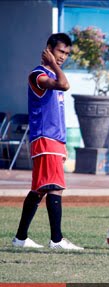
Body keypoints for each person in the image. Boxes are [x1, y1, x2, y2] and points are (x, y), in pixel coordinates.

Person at [12, 33, 83, 250]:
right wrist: (52, 64)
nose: (63, 57)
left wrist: (62, 146)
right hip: (45, 139)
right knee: (55, 188)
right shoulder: (38, 75)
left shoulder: (51, 75)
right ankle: (57, 240)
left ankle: (20, 239)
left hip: (54, 141)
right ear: (49, 48)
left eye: (66, 54)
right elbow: (64, 85)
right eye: (60, 51)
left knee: (39, 190)